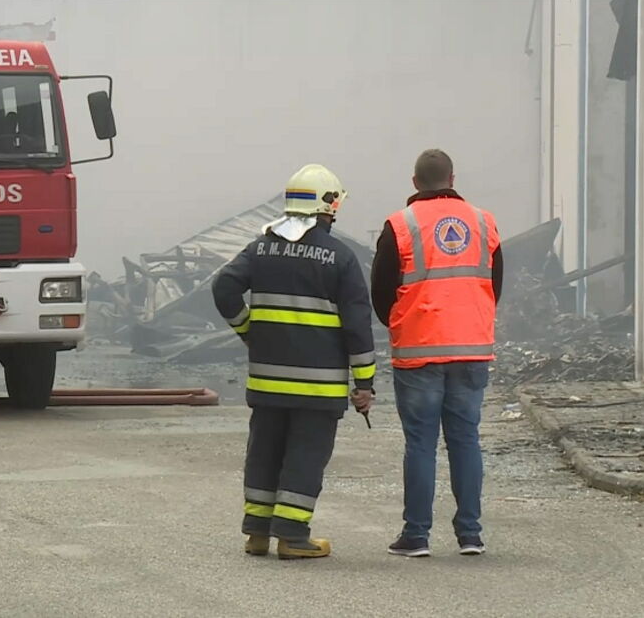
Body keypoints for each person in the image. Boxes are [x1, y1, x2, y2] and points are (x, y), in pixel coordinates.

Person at [212, 164, 376, 560]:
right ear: (326, 207)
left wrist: (248, 329)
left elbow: (223, 286)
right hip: (316, 387)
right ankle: (292, 537)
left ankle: (256, 533)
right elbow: (357, 325)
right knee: (304, 456)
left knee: (264, 451)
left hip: (268, 381)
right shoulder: (340, 257)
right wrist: (365, 383)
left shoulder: (260, 247)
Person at [371, 149, 503, 558]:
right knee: (466, 440)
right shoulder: (484, 222)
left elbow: (380, 291)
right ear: (452, 177)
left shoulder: (400, 225)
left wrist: (401, 322)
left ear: (415, 182)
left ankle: (417, 535)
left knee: (421, 444)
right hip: (470, 348)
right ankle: (470, 534)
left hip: (420, 348)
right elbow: (494, 284)